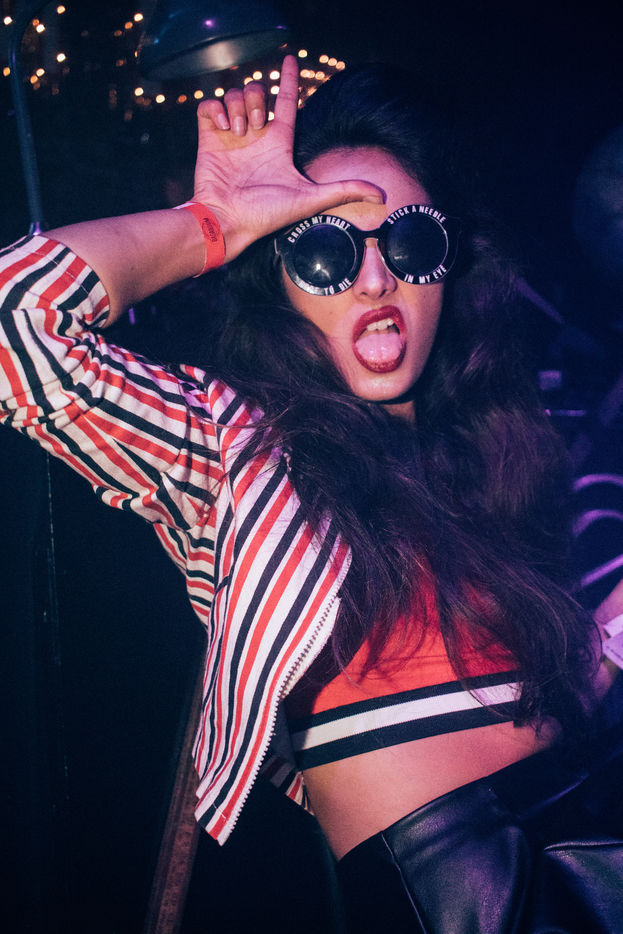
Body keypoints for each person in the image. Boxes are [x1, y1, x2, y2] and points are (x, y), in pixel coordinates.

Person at [1, 56, 621, 932]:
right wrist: (213, 224)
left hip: (591, 829)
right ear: (279, 287)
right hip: (463, 895)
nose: (374, 279)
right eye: (323, 251)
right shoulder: (235, 450)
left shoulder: (490, 458)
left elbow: (541, 699)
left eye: (410, 242)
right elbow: (16, 323)